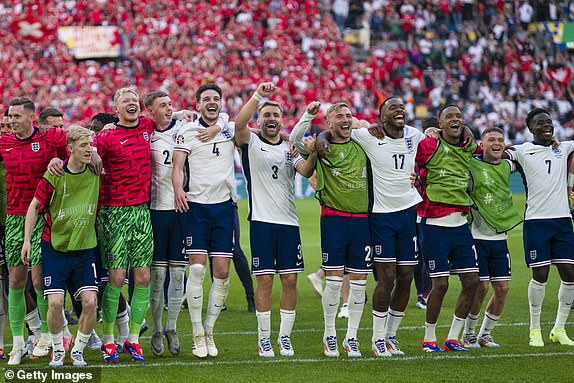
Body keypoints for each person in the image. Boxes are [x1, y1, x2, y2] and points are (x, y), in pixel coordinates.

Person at [235, 83, 317, 357]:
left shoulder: (288, 147)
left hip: (289, 224)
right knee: (266, 281)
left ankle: (284, 337)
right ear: (260, 120)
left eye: (275, 115)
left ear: (283, 120)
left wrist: (313, 151)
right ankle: (263, 338)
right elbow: (239, 122)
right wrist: (259, 95)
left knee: (291, 281)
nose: (271, 119)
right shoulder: (250, 141)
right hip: (261, 222)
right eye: (266, 115)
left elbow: (305, 170)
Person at [347, 97, 426, 356]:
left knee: (406, 278)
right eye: (392, 107)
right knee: (387, 277)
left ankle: (391, 335)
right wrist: (364, 124)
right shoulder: (369, 136)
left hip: (408, 214)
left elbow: (438, 132)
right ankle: (377, 338)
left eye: (402, 107)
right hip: (382, 216)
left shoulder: (415, 135)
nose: (399, 109)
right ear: (382, 117)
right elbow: (338, 128)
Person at [292, 101, 371, 358]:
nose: (346, 120)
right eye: (339, 116)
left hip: (362, 220)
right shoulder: (321, 148)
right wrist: (308, 115)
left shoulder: (363, 142)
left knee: (359, 283)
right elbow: (294, 139)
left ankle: (352, 337)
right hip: (334, 219)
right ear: (329, 123)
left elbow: (368, 126)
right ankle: (329, 336)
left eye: (349, 115)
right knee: (335, 281)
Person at [145, 91, 218, 356]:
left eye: (170, 105)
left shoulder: (186, 128)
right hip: (155, 211)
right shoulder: (145, 132)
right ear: (150, 111)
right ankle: (155, 328)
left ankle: (172, 327)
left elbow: (222, 118)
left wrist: (182, 115)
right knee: (157, 275)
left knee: (178, 274)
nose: (169, 108)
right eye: (162, 105)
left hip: (182, 210)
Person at [22, 127, 99, 367]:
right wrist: (27, 241)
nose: (89, 149)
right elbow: (34, 207)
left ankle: (78, 350)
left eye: (91, 145)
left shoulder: (96, 169)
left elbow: (110, 136)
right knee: (55, 303)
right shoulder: (54, 174)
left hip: (85, 249)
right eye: (84, 145)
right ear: (70, 148)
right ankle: (57, 349)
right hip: (54, 248)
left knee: (90, 302)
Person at [2, 97, 69, 365]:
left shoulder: (51, 138)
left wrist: (94, 151)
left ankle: (48, 339)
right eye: (9, 116)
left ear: (32, 117)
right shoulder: (4, 142)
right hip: (15, 219)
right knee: (16, 282)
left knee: (41, 281)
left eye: (17, 116)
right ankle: (18, 344)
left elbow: (79, 140)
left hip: (44, 216)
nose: (12, 121)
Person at [172, 83, 235, 358]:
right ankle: (197, 333)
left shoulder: (229, 127)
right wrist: (177, 189)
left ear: (221, 103)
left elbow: (237, 120)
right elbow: (176, 166)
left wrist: (219, 127)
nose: (212, 102)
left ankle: (210, 330)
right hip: (196, 207)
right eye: (206, 99)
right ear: (197, 104)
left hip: (224, 208)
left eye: (216, 99)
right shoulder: (186, 131)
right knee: (197, 271)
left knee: (221, 273)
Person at [95, 87, 155, 363]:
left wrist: (183, 113)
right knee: (117, 278)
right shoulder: (107, 136)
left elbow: (167, 117)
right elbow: (88, 155)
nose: (132, 104)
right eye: (126, 101)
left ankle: (132, 340)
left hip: (141, 212)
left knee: (142, 277)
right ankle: (109, 340)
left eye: (135, 100)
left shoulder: (146, 125)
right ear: (116, 108)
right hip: (115, 212)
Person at [506, 108, 574, 347]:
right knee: (541, 274)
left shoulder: (563, 148)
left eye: (549, 122)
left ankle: (559, 328)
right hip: (536, 222)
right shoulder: (522, 150)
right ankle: (535, 329)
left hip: (563, 221)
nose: (547, 125)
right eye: (541, 123)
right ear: (530, 128)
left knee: (570, 275)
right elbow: (501, 156)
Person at [416, 104, 480, 353]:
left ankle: (453, 337)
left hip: (461, 225)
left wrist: (470, 132)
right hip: (433, 225)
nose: (455, 119)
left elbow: (485, 148)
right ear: (439, 124)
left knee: (472, 281)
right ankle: (428, 339)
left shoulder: (468, 146)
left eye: (459, 117)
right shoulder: (427, 145)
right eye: (449, 116)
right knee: (440, 284)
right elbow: (408, 157)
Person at [461, 127, 522, 349]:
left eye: (500, 140)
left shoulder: (508, 166)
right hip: (476, 235)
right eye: (491, 140)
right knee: (481, 286)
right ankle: (468, 334)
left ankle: (485, 334)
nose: (496, 143)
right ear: (482, 144)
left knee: (503, 288)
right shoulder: (471, 165)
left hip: (499, 237)